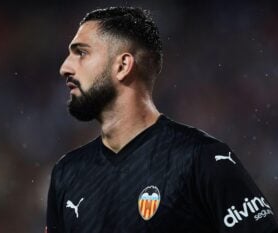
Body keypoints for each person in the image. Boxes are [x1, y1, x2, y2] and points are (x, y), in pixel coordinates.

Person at [46, 6, 278, 233]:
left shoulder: (200, 159)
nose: (65, 67)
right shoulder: (67, 173)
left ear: (123, 65)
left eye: (82, 53)